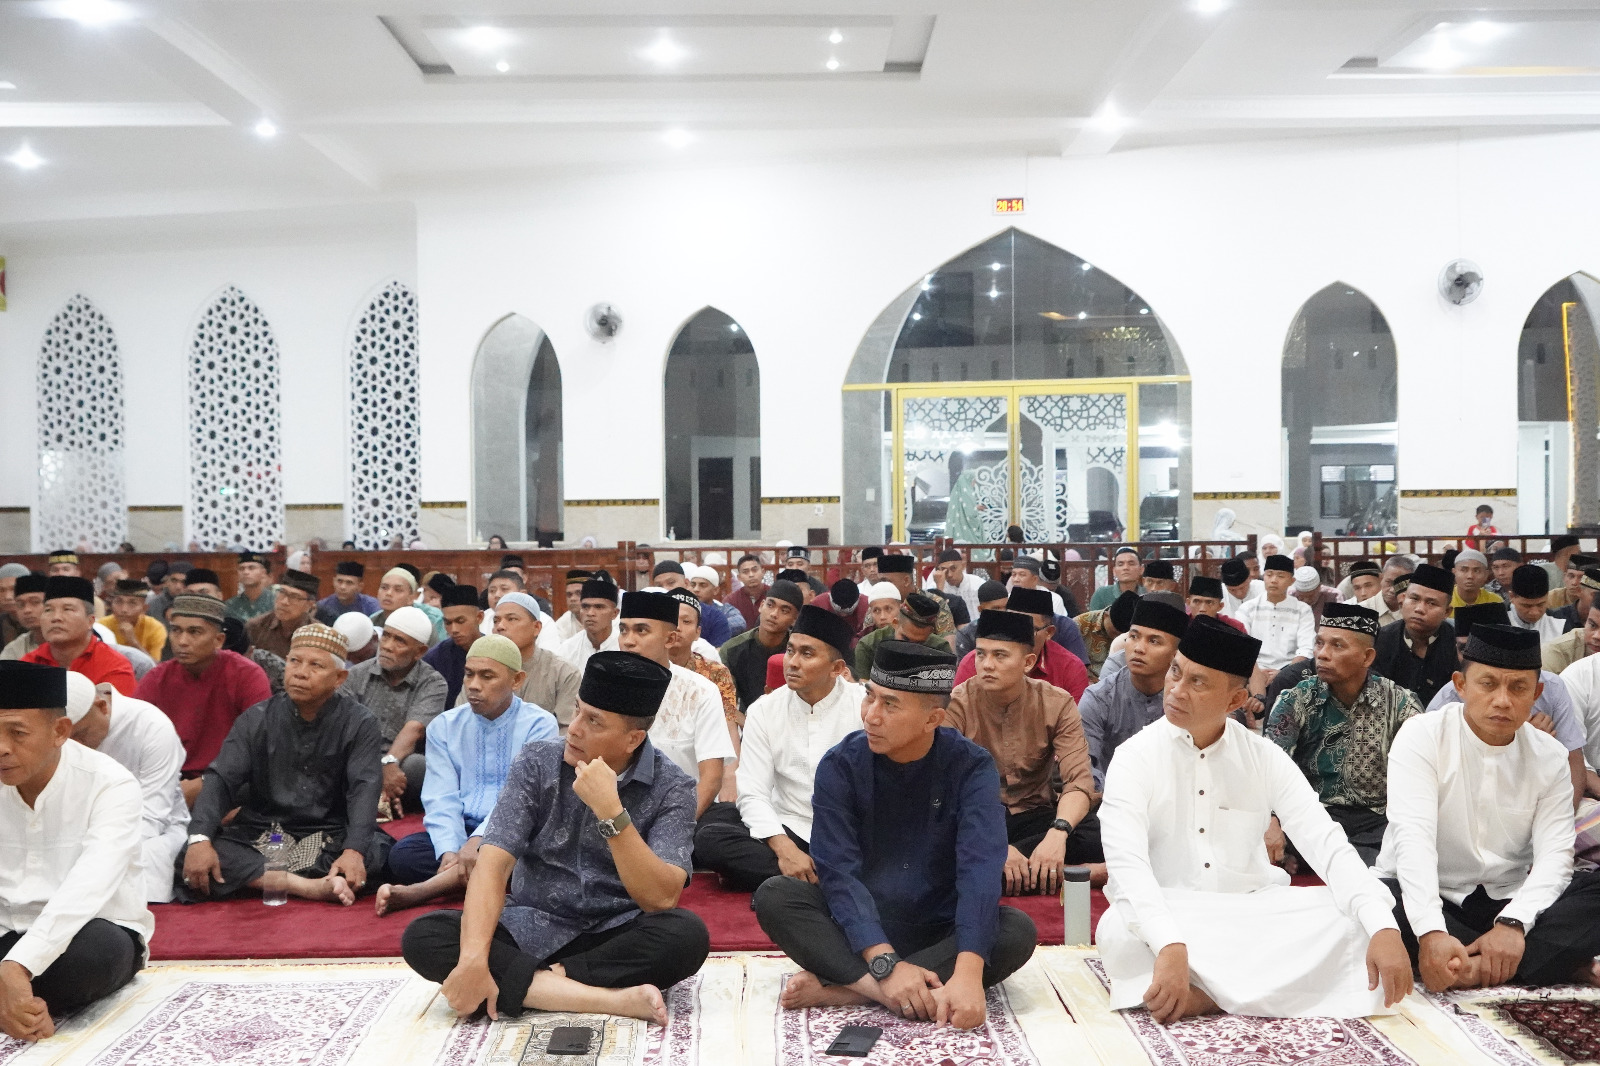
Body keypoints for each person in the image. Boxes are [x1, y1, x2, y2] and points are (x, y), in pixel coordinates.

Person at [1096, 615, 1412, 1021]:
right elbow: (1128, 868)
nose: (1175, 689)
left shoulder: (1264, 757)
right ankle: (1248, 988)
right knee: (1119, 930)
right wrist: (1169, 943)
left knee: (1353, 917)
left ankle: (1211, 995)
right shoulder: (1134, 758)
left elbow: (1326, 842)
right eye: (1176, 672)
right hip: (1170, 909)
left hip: (1253, 912)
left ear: (1234, 701)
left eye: (1197, 682)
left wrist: (1383, 927)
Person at [400, 651, 711, 1026]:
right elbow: (493, 865)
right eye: (577, 710)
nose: (574, 728)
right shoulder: (537, 761)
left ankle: (532, 985)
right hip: (529, 927)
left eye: (593, 721)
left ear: (633, 739)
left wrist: (611, 812)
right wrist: (473, 959)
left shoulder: (673, 787)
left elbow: (661, 898)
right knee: (426, 935)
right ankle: (609, 1000)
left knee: (686, 936)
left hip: (615, 933)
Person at [753, 640, 1037, 1031]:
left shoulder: (971, 767)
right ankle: (883, 988)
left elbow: (981, 868)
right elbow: (838, 873)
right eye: (869, 697)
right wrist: (886, 965)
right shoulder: (840, 765)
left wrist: (969, 974)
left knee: (1016, 930)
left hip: (940, 926)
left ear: (932, 719)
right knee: (775, 895)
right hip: (858, 929)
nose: (871, 716)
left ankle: (851, 990)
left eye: (890, 705)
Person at [1377, 623, 1600, 990]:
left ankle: (1477, 967)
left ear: (1537, 693)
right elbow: (1413, 841)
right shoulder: (1422, 735)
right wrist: (1431, 932)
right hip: (1425, 893)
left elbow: (1555, 855)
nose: (1502, 700)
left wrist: (1514, 923)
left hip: (1506, 900)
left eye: (1518, 688)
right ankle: (1550, 961)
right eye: (1488, 684)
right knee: (1375, 906)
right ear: (1461, 686)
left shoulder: (1550, 756)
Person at [179, 623, 389, 905]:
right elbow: (221, 779)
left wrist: (354, 851)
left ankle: (263, 879)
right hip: (266, 832)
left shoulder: (360, 722)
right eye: (294, 661)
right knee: (191, 852)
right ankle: (307, 887)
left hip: (331, 834)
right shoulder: (257, 718)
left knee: (381, 855)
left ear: (339, 678)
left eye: (316, 665)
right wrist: (200, 838)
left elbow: (365, 788)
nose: (300, 672)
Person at [0, 661, 153, 1041]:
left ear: (60, 731)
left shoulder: (110, 784)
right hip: (5, 928)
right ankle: (17, 1004)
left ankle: (15, 997)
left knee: (90, 960)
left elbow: (89, 885)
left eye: (17, 733)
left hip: (88, 931)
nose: (2, 748)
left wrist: (18, 965)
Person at [377, 636, 558, 914]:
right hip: (463, 829)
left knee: (530, 855)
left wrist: (480, 840)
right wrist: (449, 850)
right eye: (469, 674)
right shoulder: (445, 726)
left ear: (516, 680)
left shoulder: (539, 725)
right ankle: (467, 874)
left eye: (487, 676)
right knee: (403, 856)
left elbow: (522, 800)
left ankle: (426, 889)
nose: (473, 685)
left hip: (518, 831)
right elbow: (440, 796)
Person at [694, 606, 863, 891]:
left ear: (836, 669)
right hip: (789, 824)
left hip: (848, 832)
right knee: (710, 835)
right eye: (790, 651)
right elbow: (753, 790)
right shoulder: (765, 710)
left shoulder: (864, 707)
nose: (792, 663)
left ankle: (798, 879)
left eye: (807, 654)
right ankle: (820, 878)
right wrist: (784, 848)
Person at [945, 609, 1101, 895]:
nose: (987, 665)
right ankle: (1064, 873)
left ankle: (1010, 872)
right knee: (941, 844)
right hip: (979, 818)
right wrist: (995, 845)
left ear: (1028, 662)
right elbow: (946, 791)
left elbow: (1079, 782)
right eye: (981, 654)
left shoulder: (1057, 703)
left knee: (1097, 834)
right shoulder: (957, 704)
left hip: (1036, 816)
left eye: (999, 656)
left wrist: (1057, 834)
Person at [1264, 604, 1420, 866]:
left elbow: (1419, 779)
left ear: (1367, 657)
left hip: (1377, 824)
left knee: (1403, 850)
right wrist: (1270, 820)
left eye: (1337, 646)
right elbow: (1270, 767)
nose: (1322, 654)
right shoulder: (1296, 699)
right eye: (1319, 643)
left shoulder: (1402, 705)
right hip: (1311, 819)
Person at [61, 673, 188, 903]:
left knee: (142, 862)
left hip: (153, 832)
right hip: (76, 830)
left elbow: (153, 814)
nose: (75, 747)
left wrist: (101, 850)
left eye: (80, 735)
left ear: (102, 707)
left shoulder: (152, 726)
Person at [135, 594, 272, 804]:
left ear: (219, 640)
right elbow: (133, 737)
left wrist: (204, 785)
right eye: (176, 630)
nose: (182, 641)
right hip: (163, 784)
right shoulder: (157, 678)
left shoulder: (247, 675)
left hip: (229, 783)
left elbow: (258, 747)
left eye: (194, 632)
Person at [613, 592, 734, 819]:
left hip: (683, 811)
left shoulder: (701, 691)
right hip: (613, 811)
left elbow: (711, 779)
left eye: (641, 630)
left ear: (669, 639)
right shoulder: (605, 685)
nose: (628, 640)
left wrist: (676, 827)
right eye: (623, 630)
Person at [340, 605, 447, 812]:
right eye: (386, 636)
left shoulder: (433, 682)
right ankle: (381, 799)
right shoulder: (355, 675)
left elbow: (414, 730)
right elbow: (346, 732)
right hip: (358, 759)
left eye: (399, 641)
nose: (387, 646)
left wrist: (389, 763)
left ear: (420, 652)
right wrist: (376, 770)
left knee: (418, 767)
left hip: (399, 764)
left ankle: (378, 799)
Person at [1080, 596, 1189, 796]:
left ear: (1176, 655)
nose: (1138, 648)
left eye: (1154, 641)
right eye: (1134, 636)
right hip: (1110, 800)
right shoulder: (1099, 698)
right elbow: (1085, 768)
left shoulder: (1190, 701)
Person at [951, 586, 1088, 700]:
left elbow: (1074, 722)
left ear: (1049, 633)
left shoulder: (1070, 668)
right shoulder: (975, 662)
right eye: (1010, 626)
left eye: (1028, 629)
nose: (1017, 635)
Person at [478, 591, 582, 729]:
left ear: (536, 627)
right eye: (496, 621)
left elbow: (567, 729)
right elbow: (462, 721)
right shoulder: (479, 669)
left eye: (511, 619)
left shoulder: (564, 673)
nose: (500, 626)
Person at [21, 577, 135, 696]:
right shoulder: (27, 665)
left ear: (90, 621)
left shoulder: (114, 666)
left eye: (67, 609)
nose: (56, 617)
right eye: (48, 610)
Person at [1373, 563, 1459, 707]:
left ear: (1447, 612)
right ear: (1402, 601)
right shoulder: (1381, 640)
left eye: (1431, 603)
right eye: (1414, 599)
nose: (1419, 609)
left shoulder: (1457, 645)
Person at [1235, 556, 1315, 699]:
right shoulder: (1247, 609)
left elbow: (1306, 648)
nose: (1273, 580)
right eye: (1269, 574)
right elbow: (1242, 646)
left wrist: (1283, 674)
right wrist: (1258, 674)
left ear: (1292, 581)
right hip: (1253, 669)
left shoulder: (1302, 610)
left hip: (1290, 670)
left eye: (1280, 576)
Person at [720, 579, 802, 714]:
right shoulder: (731, 650)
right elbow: (726, 705)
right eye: (770, 605)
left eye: (784, 610)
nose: (774, 614)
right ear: (761, 605)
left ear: (795, 619)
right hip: (746, 720)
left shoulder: (800, 653)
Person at [853, 591, 951, 680]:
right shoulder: (868, 646)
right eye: (905, 639)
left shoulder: (940, 649)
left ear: (930, 632)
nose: (911, 649)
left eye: (919, 643)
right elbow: (865, 689)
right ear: (895, 623)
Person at [424, 584, 483, 710]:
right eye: (448, 623)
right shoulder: (434, 658)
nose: (454, 629)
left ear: (479, 617)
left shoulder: (497, 653)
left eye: (460, 621)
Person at [246, 568, 320, 659]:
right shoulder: (256, 627)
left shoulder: (318, 635)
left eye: (294, 597)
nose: (284, 602)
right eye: (282, 592)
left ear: (309, 605)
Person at [878, 554, 955, 636]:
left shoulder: (936, 604)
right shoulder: (878, 604)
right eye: (879, 582)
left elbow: (948, 641)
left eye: (885, 581)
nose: (881, 586)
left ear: (906, 581)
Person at [556, 578, 621, 671]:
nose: (590, 613)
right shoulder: (567, 649)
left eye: (599, 607)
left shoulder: (624, 648)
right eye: (585, 607)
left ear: (614, 613)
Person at [1076, 589, 1138, 682]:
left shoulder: (1137, 634)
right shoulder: (1080, 625)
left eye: (1122, 636)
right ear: (1106, 615)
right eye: (1115, 633)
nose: (1117, 639)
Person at [101, 577, 166, 662]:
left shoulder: (155, 628)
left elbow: (157, 667)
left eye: (132, 603)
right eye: (119, 602)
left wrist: (133, 642)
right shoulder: (101, 626)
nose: (124, 609)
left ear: (144, 608)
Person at [1506, 563, 1568, 643]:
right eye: (1527, 606)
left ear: (1547, 596)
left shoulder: (1560, 625)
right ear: (1511, 597)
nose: (1534, 612)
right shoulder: (1497, 623)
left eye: (1540, 605)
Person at [953, 580, 1010, 659]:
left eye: (1006, 607)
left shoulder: (1017, 629)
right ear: (980, 609)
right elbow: (965, 665)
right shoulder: (967, 635)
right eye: (996, 608)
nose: (1002, 612)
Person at [925, 549, 984, 620]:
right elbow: (932, 616)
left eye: (953, 568)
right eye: (944, 570)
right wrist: (939, 589)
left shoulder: (978, 584)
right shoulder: (935, 587)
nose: (949, 575)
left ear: (963, 566)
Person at [222, 551, 275, 621]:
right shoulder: (230, 605)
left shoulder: (275, 602)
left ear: (263, 573)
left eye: (251, 568)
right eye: (241, 569)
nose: (246, 572)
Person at [1449, 549, 1503, 616]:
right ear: (1454, 573)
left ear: (1486, 575)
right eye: (1464, 570)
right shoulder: (1444, 601)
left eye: (1476, 571)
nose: (1470, 576)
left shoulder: (1495, 602)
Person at [727, 554, 769, 630]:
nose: (751, 575)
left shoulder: (774, 595)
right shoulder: (731, 600)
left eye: (754, 570)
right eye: (745, 572)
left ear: (763, 572)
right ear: (739, 577)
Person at [550, 569, 592, 644]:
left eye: (579, 593)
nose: (572, 599)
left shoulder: (606, 619)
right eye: (569, 595)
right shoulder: (562, 623)